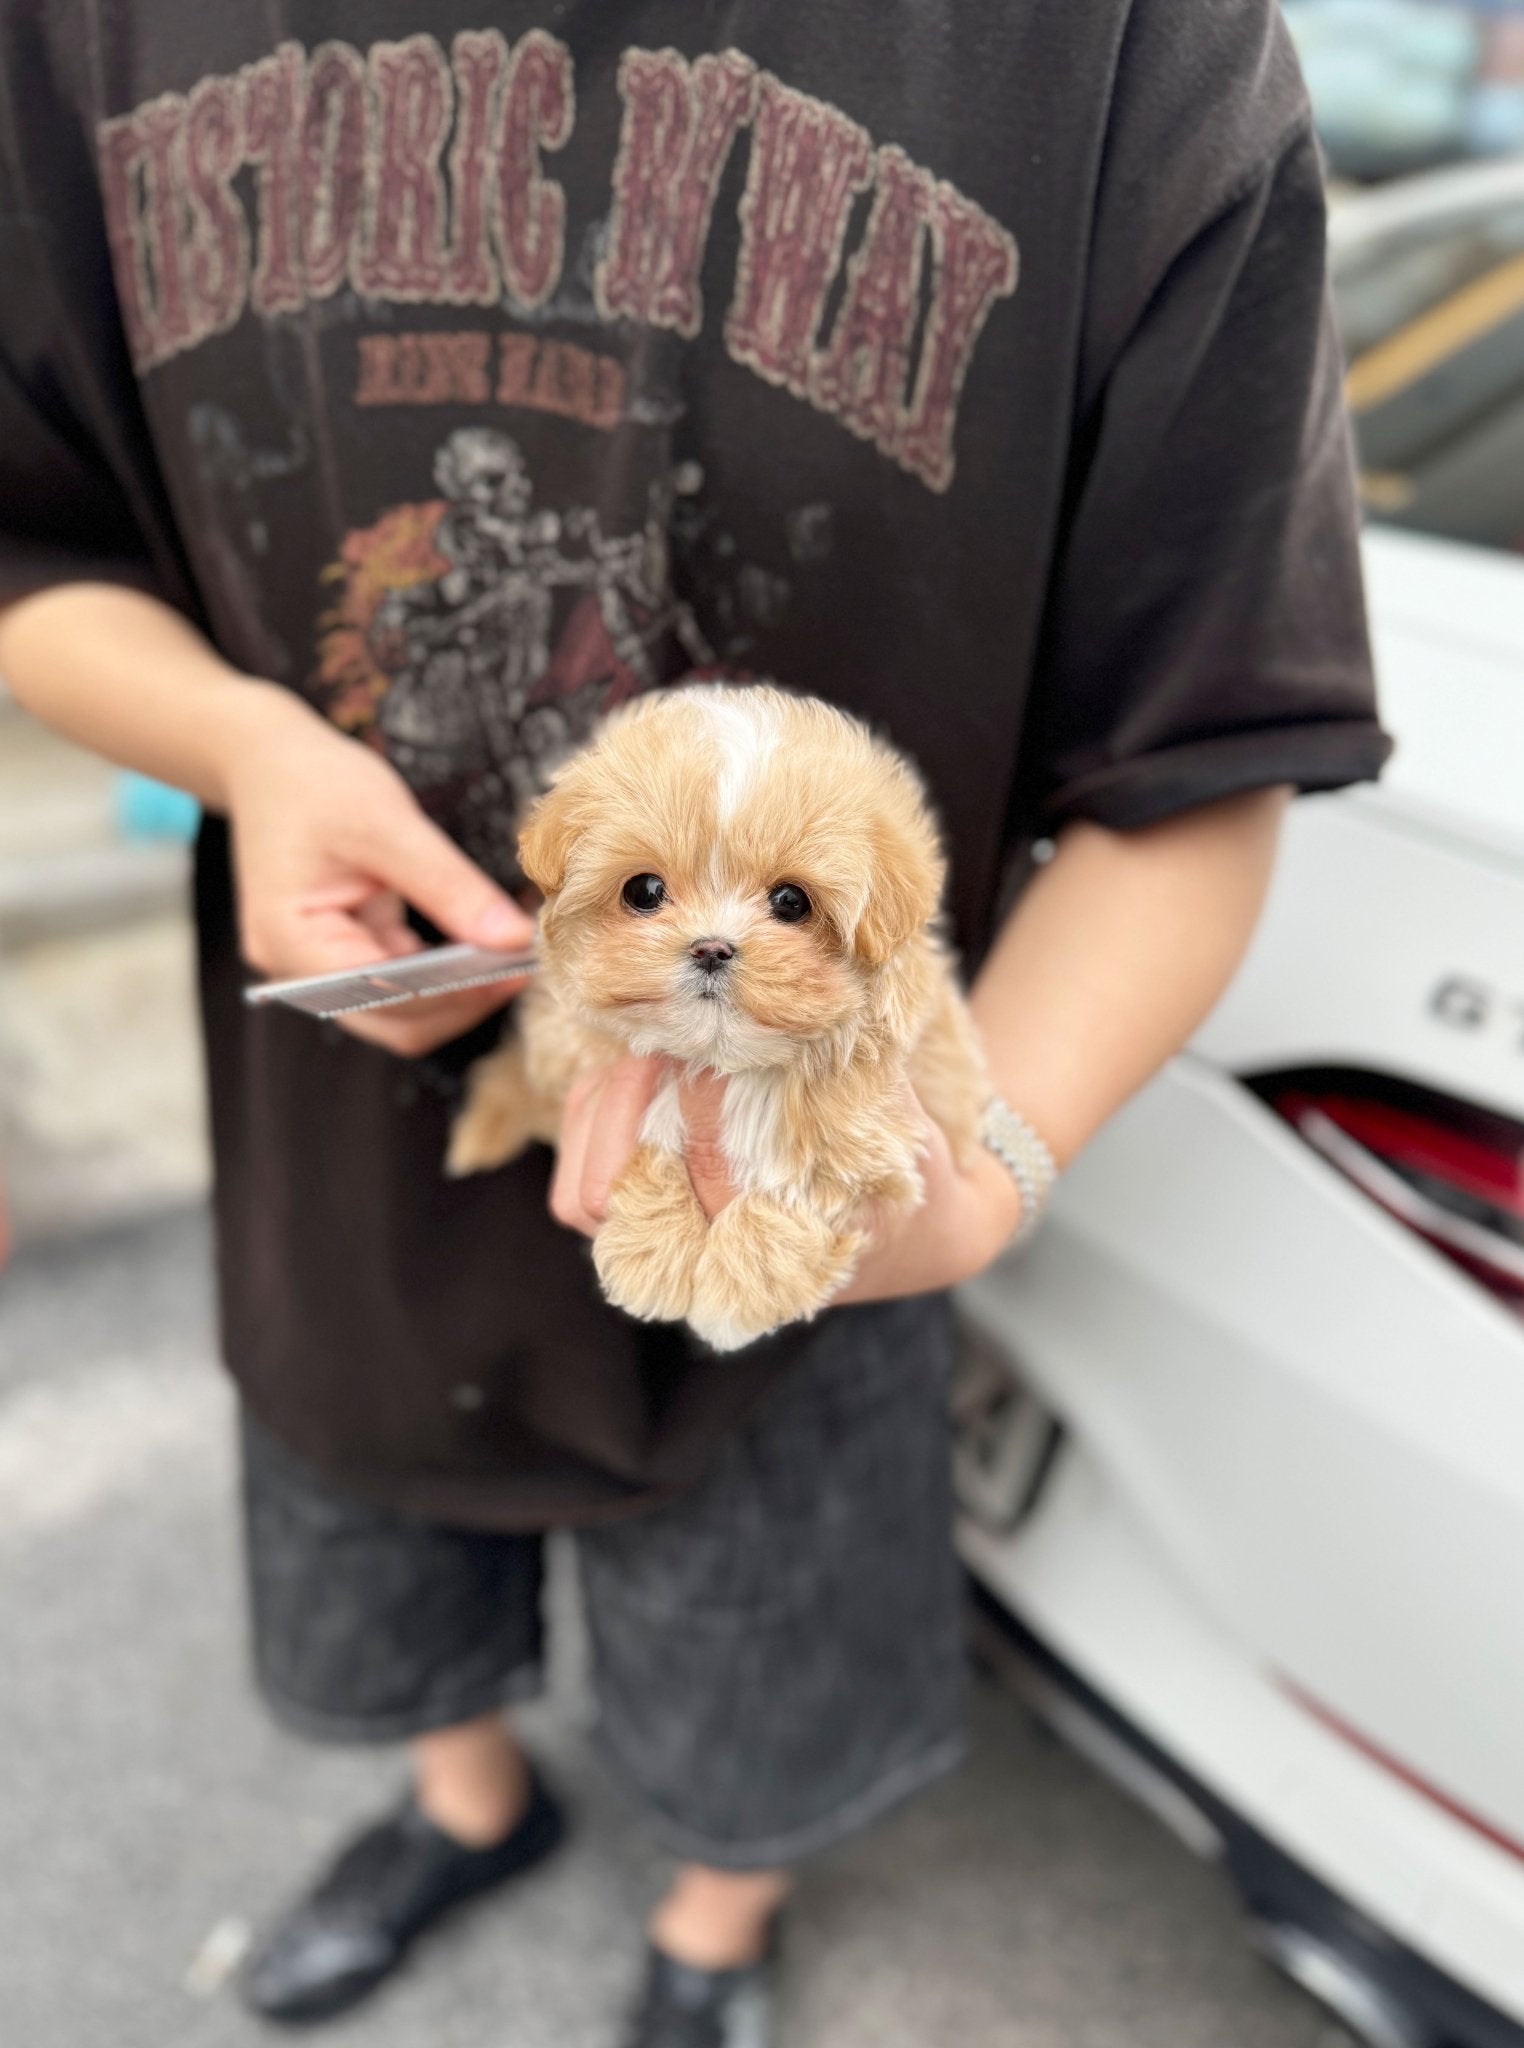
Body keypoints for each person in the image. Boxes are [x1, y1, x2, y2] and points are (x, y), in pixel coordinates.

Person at [0, 1, 1389, 2041]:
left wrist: (980, 1176)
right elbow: (39, 542)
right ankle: (468, 1808)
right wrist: (237, 741)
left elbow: (1211, 750)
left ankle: (714, 1930)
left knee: (769, 1606)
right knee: (373, 1525)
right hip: (346, 1123)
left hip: (819, 1160)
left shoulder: (1124, 48)